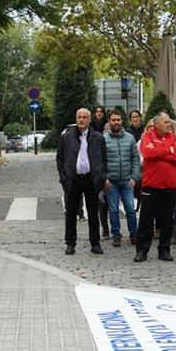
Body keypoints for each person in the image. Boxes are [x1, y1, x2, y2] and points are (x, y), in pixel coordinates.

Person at [56, 108, 107, 255]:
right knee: (71, 213)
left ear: (89, 120)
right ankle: (70, 243)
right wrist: (63, 177)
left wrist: (102, 177)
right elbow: (60, 159)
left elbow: (104, 160)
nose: (81, 120)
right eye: (79, 117)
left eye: (85, 117)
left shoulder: (98, 138)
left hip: (92, 179)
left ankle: (95, 243)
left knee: (93, 213)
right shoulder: (66, 138)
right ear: (76, 119)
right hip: (73, 180)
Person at [134, 113, 176, 261]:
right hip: (151, 185)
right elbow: (148, 153)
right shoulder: (147, 136)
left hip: (170, 186)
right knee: (146, 220)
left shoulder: (173, 138)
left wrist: (161, 151)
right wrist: (168, 150)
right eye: (165, 122)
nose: (169, 124)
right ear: (156, 124)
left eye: (169, 122)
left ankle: (164, 250)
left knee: (167, 220)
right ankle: (142, 250)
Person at [103, 110, 140, 247]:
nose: (116, 122)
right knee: (113, 210)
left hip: (127, 180)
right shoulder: (104, 139)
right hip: (111, 181)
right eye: (113, 120)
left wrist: (135, 177)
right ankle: (116, 235)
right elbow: (100, 161)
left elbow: (135, 159)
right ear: (109, 121)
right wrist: (104, 178)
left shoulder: (130, 138)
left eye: (118, 120)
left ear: (122, 121)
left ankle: (134, 234)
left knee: (130, 209)